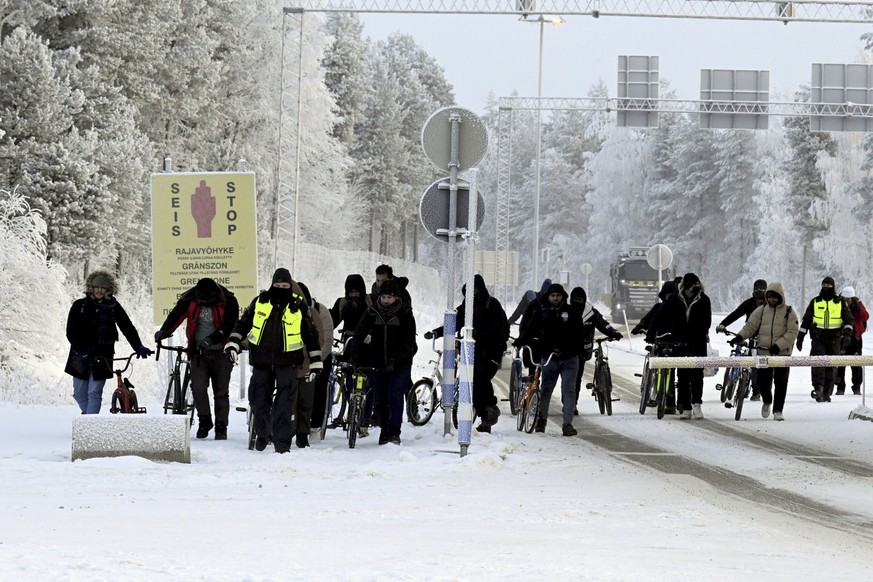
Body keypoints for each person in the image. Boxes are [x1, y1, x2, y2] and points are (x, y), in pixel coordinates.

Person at [224, 268, 322, 453]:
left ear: (290, 286)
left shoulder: (298, 305)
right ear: (272, 284)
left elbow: (311, 335)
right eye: (277, 285)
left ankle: (282, 444)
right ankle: (263, 434)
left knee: (285, 406)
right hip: (262, 360)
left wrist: (316, 361)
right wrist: (233, 343)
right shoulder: (260, 302)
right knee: (259, 402)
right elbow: (243, 323)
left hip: (288, 362)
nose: (280, 288)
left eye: (284, 285)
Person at [154, 278, 240, 439]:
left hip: (222, 352)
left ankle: (221, 427)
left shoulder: (229, 300)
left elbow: (230, 326)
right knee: (198, 388)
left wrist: (212, 339)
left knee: (221, 392)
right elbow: (176, 315)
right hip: (198, 353)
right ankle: (204, 420)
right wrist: (164, 331)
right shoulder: (190, 298)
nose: (205, 303)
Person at [425, 274, 509, 433]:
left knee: (479, 379)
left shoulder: (492, 305)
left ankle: (489, 410)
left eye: (476, 290)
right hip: (472, 352)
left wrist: (475, 335)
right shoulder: (465, 307)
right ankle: (485, 413)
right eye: (470, 291)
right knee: (470, 382)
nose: (473, 294)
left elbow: (497, 329)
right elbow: (453, 323)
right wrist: (436, 332)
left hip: (491, 352)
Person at [65, 270, 153, 414]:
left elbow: (127, 327)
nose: (99, 290)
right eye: (96, 287)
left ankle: (90, 425)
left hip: (103, 355)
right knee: (79, 393)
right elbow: (71, 332)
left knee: (94, 392)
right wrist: (82, 352)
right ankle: (88, 416)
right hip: (80, 354)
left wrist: (138, 346)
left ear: (108, 289)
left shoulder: (113, 307)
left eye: (103, 287)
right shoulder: (79, 305)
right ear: (90, 288)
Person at [348, 279, 418, 445]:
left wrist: (395, 359)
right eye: (384, 297)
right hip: (379, 361)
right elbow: (359, 333)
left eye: (390, 297)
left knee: (395, 395)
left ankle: (394, 432)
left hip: (400, 362)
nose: (386, 300)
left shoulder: (405, 313)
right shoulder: (372, 311)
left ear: (396, 297)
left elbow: (409, 342)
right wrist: (354, 354)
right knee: (381, 399)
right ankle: (384, 431)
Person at [516, 283, 584, 436]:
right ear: (548, 297)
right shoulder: (542, 312)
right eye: (552, 295)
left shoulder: (572, 312)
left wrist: (571, 350)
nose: (555, 298)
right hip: (549, 358)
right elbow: (530, 328)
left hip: (569, 358)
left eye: (558, 296)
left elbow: (579, 335)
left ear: (562, 297)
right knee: (546, 389)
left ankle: (567, 424)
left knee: (568, 390)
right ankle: (541, 420)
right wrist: (521, 341)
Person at [646, 273, 711, 420]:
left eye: (697, 284)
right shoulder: (675, 300)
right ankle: (686, 407)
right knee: (682, 376)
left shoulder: (704, 300)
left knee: (696, 376)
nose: (696, 287)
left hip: (697, 343)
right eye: (693, 284)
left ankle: (697, 404)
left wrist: (693, 334)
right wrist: (651, 332)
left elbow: (706, 322)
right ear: (686, 285)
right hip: (680, 343)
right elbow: (659, 315)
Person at [730, 282, 798, 421]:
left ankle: (778, 410)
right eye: (770, 297)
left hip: (782, 353)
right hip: (763, 352)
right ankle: (767, 400)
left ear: (781, 297)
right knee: (763, 382)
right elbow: (750, 327)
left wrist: (778, 345)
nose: (772, 300)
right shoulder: (761, 311)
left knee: (781, 382)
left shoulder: (789, 312)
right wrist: (739, 336)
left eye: (775, 297)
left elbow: (792, 332)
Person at [797, 276, 854, 403]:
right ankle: (818, 388)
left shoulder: (840, 302)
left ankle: (827, 391)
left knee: (831, 365)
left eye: (829, 286)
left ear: (833, 287)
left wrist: (847, 334)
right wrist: (800, 336)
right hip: (818, 337)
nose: (826, 288)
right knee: (817, 361)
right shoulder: (815, 301)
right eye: (824, 286)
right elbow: (806, 319)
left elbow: (849, 319)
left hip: (834, 338)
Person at [292, 282, 333, 448]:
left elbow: (326, 340)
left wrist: (315, 361)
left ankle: (314, 425)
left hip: (318, 356)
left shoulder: (320, 313)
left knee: (317, 390)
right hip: (295, 358)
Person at [569, 286, 622, 414]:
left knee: (576, 378)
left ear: (584, 299)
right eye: (575, 299)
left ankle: (572, 404)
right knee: (571, 379)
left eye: (580, 299)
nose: (578, 301)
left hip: (583, 350)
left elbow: (602, 323)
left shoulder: (590, 312)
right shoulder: (566, 311)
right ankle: (570, 404)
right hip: (568, 350)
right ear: (571, 300)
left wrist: (613, 332)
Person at [715, 279, 768, 401]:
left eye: (762, 290)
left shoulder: (769, 305)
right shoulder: (749, 303)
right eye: (757, 290)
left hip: (765, 337)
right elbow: (736, 314)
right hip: (751, 333)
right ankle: (741, 382)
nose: (759, 294)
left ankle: (756, 390)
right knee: (749, 359)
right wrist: (723, 324)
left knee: (758, 364)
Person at [632, 280, 680, 414]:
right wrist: (640, 327)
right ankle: (656, 392)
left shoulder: (678, 308)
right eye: (667, 294)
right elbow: (648, 319)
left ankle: (671, 402)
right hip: (659, 341)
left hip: (673, 343)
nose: (669, 296)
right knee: (662, 368)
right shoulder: (658, 307)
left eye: (672, 294)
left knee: (671, 373)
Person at [835, 286, 868, 396]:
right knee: (840, 364)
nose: (847, 301)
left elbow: (865, 317)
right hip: (841, 337)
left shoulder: (858, 305)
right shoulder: (838, 304)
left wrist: (859, 307)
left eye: (849, 299)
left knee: (856, 364)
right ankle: (840, 387)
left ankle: (857, 387)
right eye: (845, 299)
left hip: (856, 338)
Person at [330, 274, 372, 345]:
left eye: (356, 292)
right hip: (349, 341)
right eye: (351, 292)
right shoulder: (342, 303)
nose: (354, 295)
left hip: (369, 340)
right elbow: (332, 322)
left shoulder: (370, 301)